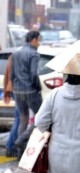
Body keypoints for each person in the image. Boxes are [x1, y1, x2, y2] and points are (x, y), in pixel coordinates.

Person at [10, 30, 43, 159]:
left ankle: (20, 153)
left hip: (17, 90)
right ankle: (21, 140)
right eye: (39, 40)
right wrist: (38, 88)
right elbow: (34, 74)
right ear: (34, 40)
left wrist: (14, 89)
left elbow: (12, 74)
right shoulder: (34, 54)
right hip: (30, 90)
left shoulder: (16, 53)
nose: (39, 43)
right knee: (40, 118)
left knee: (23, 119)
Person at [3, 55, 20, 157]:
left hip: (14, 89)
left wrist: (6, 92)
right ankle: (11, 146)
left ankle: (12, 146)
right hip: (20, 90)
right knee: (20, 119)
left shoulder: (13, 56)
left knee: (20, 119)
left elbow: (6, 75)